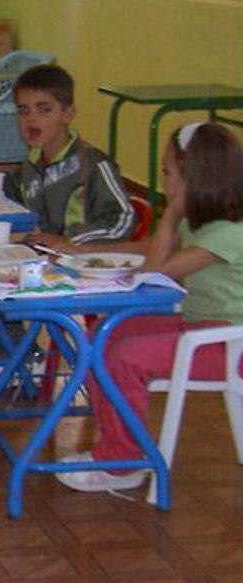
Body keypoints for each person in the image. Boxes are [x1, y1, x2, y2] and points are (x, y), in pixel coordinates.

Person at [58, 122, 243, 492]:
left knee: (125, 355)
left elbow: (155, 272)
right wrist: (82, 252)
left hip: (231, 346)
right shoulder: (206, 220)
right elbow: (151, 252)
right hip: (203, 328)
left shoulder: (229, 231)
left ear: (193, 178)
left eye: (167, 172)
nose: (164, 180)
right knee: (101, 335)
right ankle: (116, 444)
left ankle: (123, 462)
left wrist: (170, 217)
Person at [0, 64, 134, 385]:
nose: (31, 119)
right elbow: (13, 190)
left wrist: (70, 241)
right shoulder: (33, 162)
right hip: (45, 255)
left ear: (67, 114)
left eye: (44, 109)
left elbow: (123, 218)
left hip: (84, 264)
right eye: (23, 111)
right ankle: (15, 358)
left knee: (4, 274)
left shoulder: (93, 164)